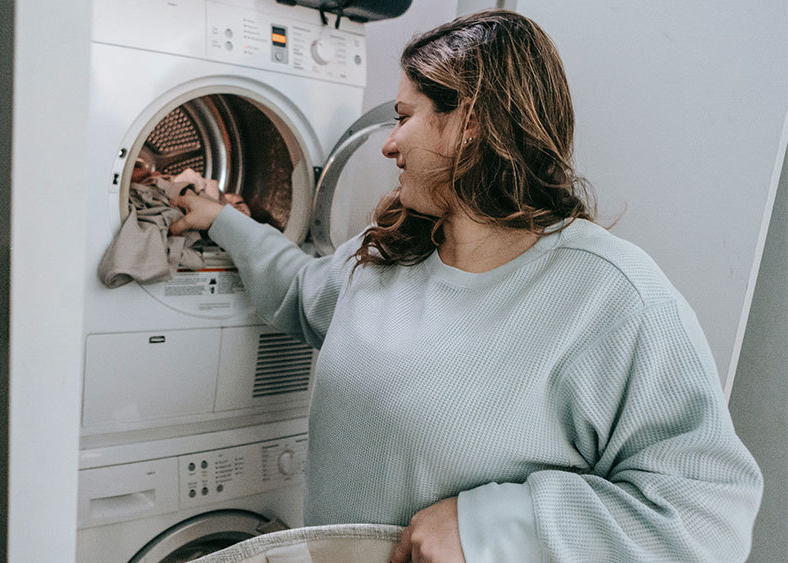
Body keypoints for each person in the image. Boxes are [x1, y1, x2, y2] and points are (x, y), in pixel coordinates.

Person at [169, 10, 762, 563]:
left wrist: (492, 525)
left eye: (404, 116)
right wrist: (222, 218)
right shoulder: (389, 251)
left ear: (471, 123)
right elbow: (299, 291)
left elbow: (706, 517)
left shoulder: (611, 297)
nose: (389, 143)